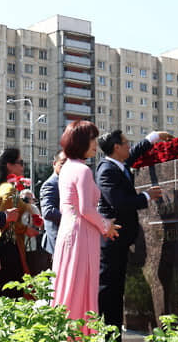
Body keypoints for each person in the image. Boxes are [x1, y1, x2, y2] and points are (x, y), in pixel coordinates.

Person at [95, 129, 167, 337]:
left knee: (116, 289)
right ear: (116, 147)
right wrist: (146, 196)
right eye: (125, 143)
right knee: (109, 289)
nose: (129, 146)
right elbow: (118, 203)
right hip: (112, 238)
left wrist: (153, 137)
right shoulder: (106, 170)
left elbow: (135, 152)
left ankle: (113, 332)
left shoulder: (120, 163)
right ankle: (103, 332)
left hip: (122, 238)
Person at [52, 121, 120, 326]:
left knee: (69, 285)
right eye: (92, 139)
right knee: (81, 285)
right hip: (81, 232)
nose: (95, 144)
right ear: (80, 141)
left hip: (69, 230)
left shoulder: (67, 168)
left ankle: (66, 333)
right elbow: (86, 209)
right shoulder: (82, 170)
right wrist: (106, 226)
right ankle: (79, 334)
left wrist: (103, 225)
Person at [0, 148, 38, 298]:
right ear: (9, 165)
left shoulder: (3, 186)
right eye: (20, 163)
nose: (23, 167)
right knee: (11, 292)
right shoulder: (8, 189)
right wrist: (25, 229)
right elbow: (7, 222)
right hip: (9, 248)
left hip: (7, 247)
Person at [40, 152, 66, 257]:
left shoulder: (67, 181)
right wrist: (71, 218)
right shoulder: (51, 184)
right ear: (54, 163)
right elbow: (48, 211)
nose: (66, 167)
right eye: (63, 163)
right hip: (56, 242)